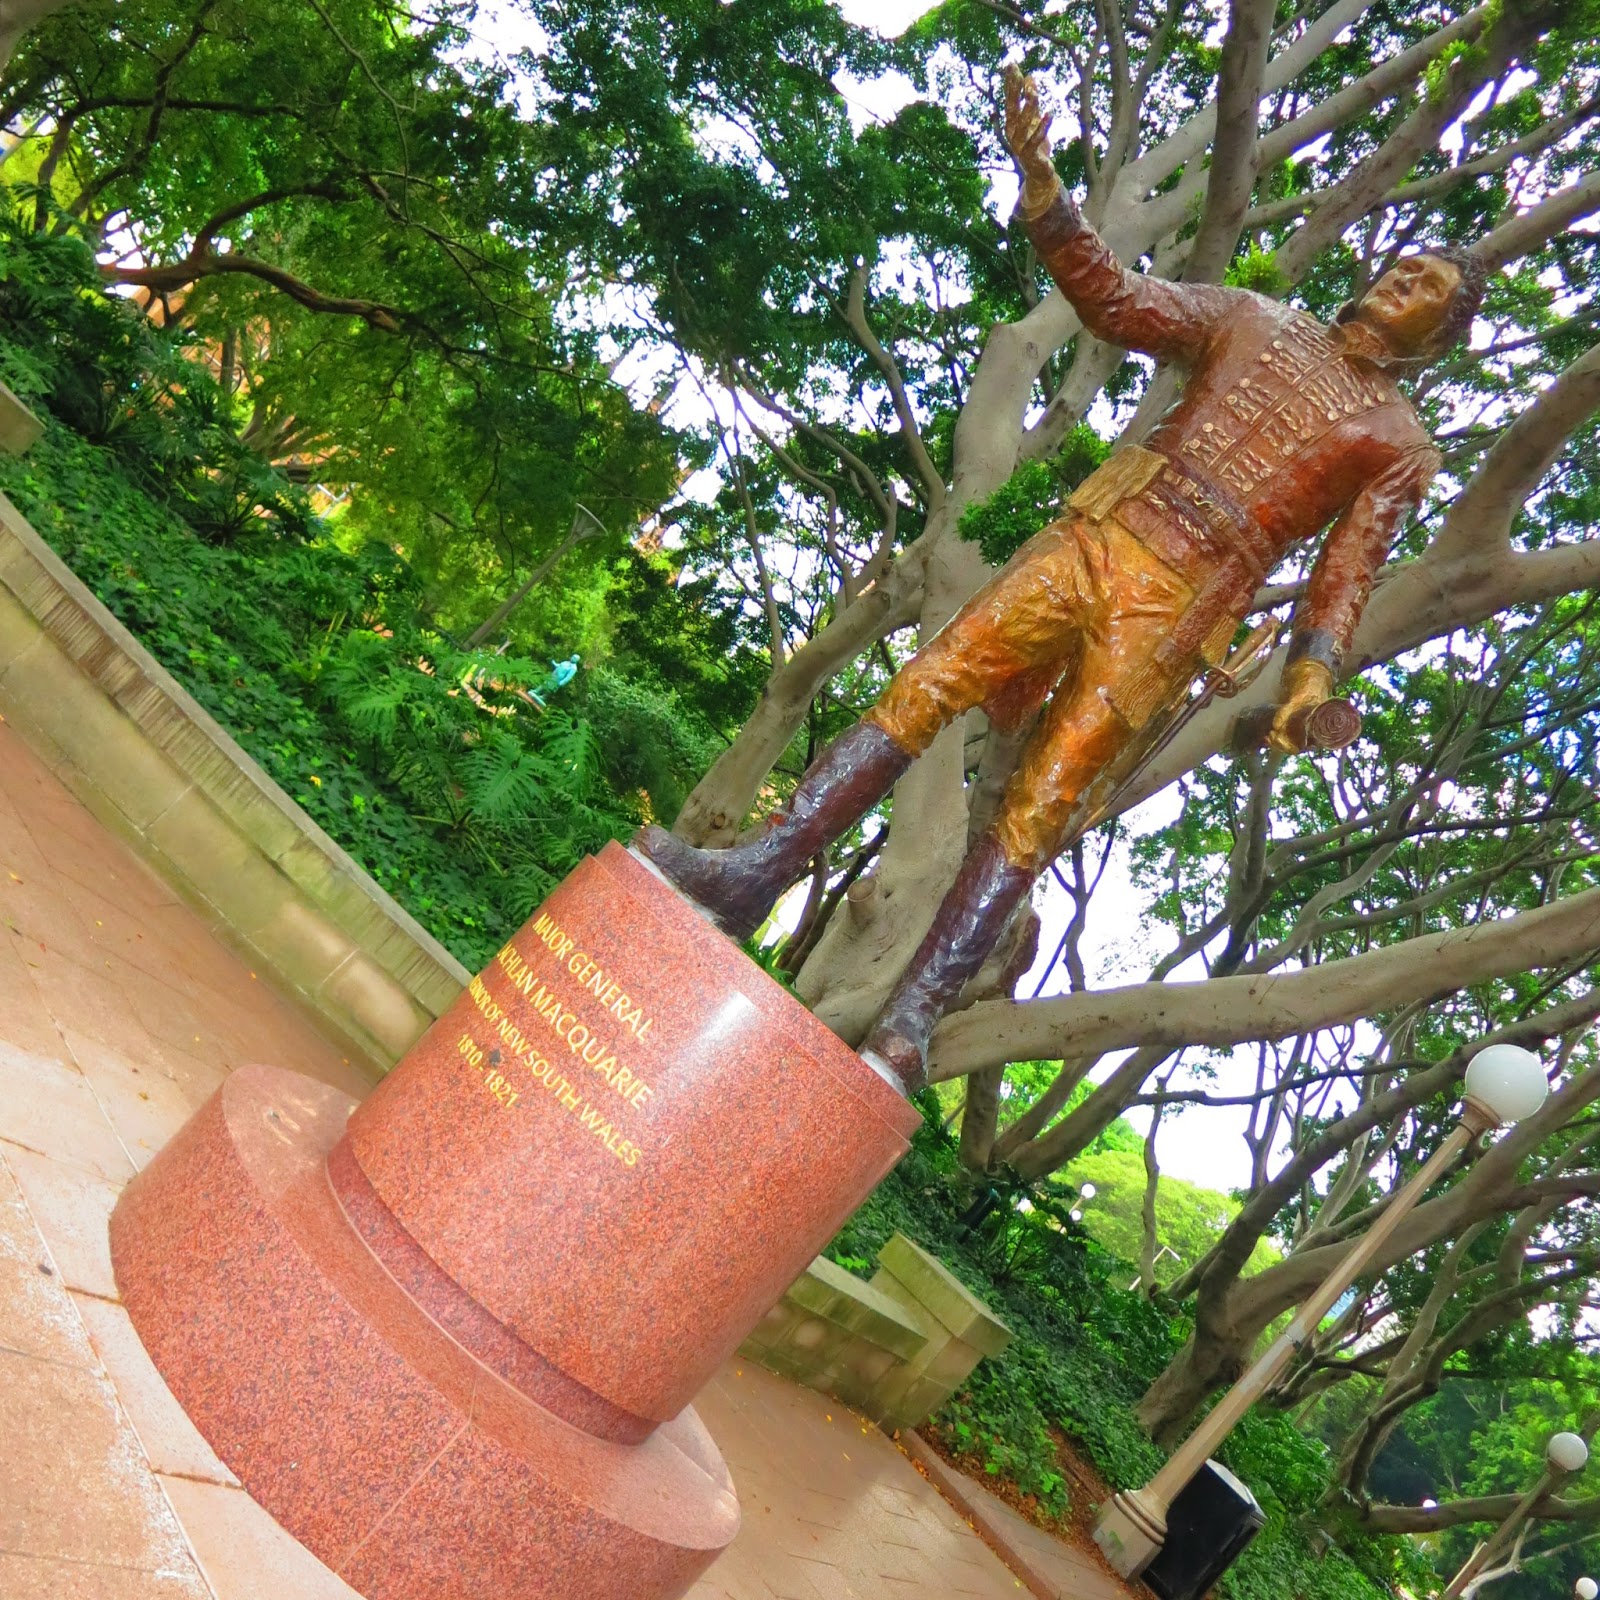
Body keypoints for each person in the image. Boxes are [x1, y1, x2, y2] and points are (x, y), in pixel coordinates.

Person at [638, 67, 1486, 1093]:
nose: (1404, 281)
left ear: (1436, 340)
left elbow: (1346, 568)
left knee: (1037, 807)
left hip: (1177, 611)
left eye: (1428, 293)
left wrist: (1311, 676)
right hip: (1094, 537)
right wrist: (1044, 187)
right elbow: (1118, 301)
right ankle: (755, 872)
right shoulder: (1252, 315)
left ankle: (907, 1024)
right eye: (1404, 266)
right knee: (927, 684)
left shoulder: (1399, 441)